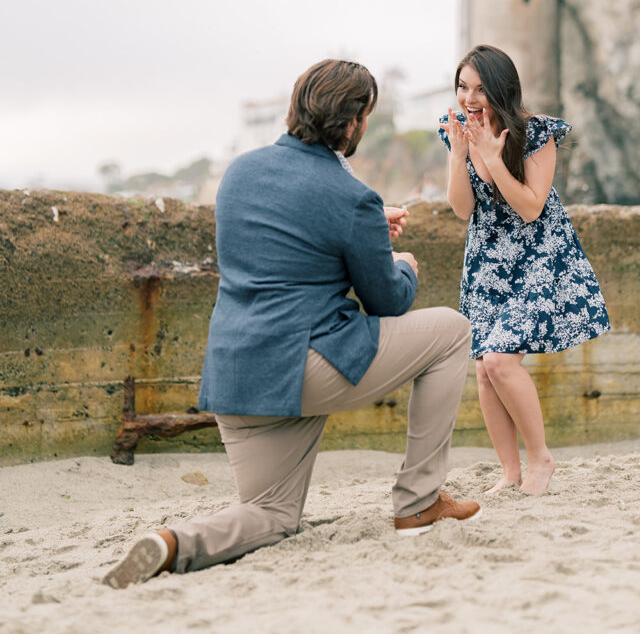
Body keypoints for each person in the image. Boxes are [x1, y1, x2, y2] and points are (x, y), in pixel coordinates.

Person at [104, 59, 479, 588]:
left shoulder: (239, 173)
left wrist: (370, 224)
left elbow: (285, 245)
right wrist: (402, 263)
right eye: (365, 118)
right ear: (351, 124)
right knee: (451, 331)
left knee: (272, 515)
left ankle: (172, 544)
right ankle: (418, 502)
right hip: (305, 369)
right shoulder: (352, 199)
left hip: (236, 378)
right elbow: (388, 301)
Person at [438, 45, 610, 497]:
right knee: (484, 368)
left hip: (538, 255)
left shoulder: (535, 133)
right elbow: (462, 209)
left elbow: (532, 207)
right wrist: (460, 157)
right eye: (463, 87)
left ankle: (541, 459)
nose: (469, 98)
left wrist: (493, 160)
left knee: (500, 359)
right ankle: (510, 471)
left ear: (501, 89)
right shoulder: (455, 130)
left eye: (480, 89)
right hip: (487, 260)